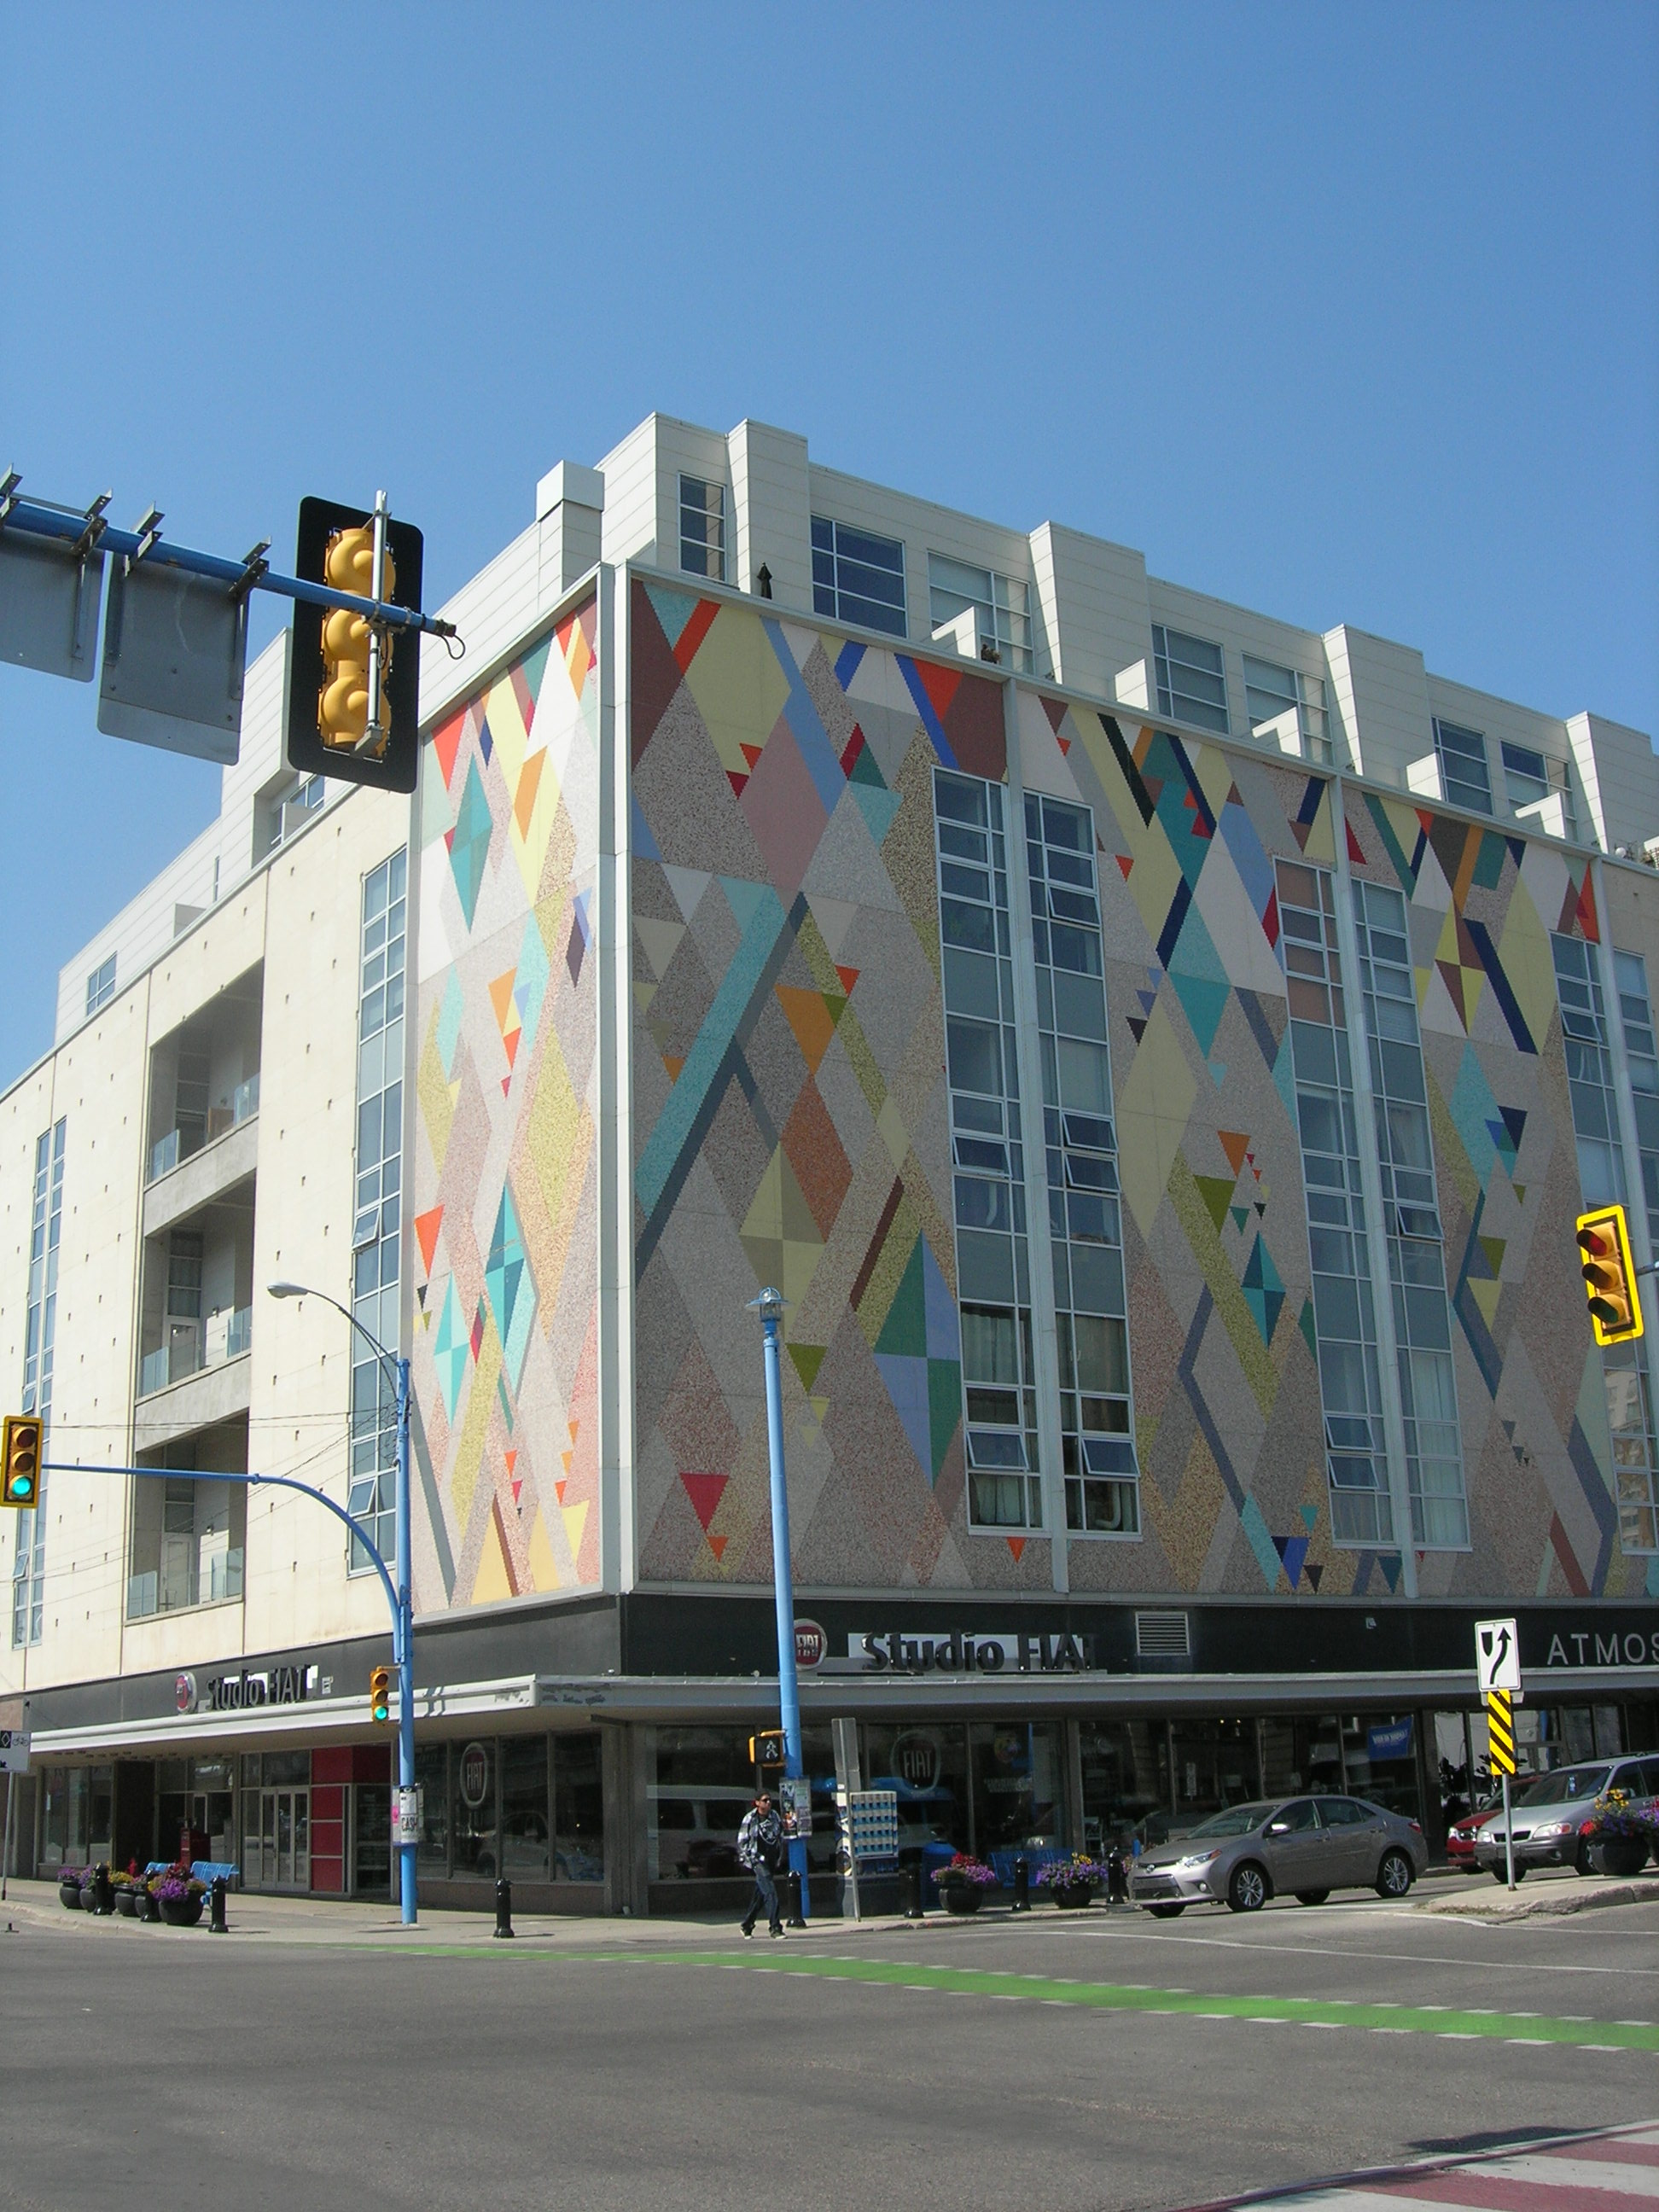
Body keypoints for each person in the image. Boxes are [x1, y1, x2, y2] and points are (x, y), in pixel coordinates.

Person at [736, 1790, 786, 1940]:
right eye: (765, 1800)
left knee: (760, 1895)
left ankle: (747, 1924)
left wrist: (779, 1855)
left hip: (771, 1859)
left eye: (770, 1800)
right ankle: (775, 1927)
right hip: (758, 1860)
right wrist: (750, 1859)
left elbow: (779, 1835)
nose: (768, 1803)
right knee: (770, 1892)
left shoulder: (774, 1816)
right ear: (757, 1803)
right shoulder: (750, 1819)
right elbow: (742, 1841)